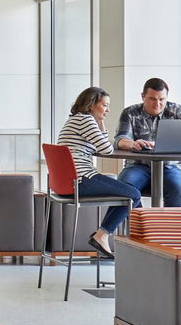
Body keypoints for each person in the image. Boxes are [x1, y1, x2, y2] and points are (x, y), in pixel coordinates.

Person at [58, 86, 143, 258]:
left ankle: (137, 240)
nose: (108, 110)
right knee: (133, 194)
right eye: (104, 105)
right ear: (91, 105)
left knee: (128, 195)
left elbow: (104, 146)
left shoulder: (75, 119)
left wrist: (100, 122)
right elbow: (107, 149)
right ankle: (108, 237)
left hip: (69, 182)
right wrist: (101, 124)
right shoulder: (85, 121)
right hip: (82, 179)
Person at [115, 77, 181, 208]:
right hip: (138, 166)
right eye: (152, 99)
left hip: (172, 166)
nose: (157, 104)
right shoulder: (130, 113)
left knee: (178, 189)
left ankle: (171, 228)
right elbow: (120, 139)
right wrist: (133, 144)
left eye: (162, 99)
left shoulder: (178, 111)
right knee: (124, 189)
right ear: (143, 96)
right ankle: (141, 224)